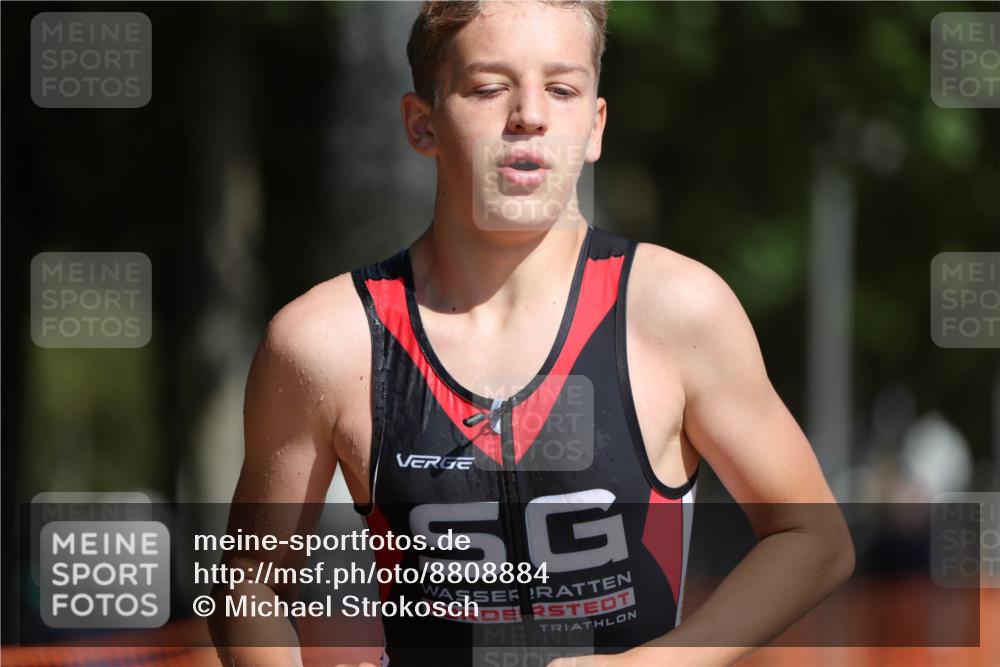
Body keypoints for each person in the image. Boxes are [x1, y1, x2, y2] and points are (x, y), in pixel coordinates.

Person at [214, 1, 854, 665]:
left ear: (595, 126)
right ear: (422, 124)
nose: (529, 115)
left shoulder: (677, 313)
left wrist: (657, 662)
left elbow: (812, 535)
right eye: (490, 88)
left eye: (561, 89)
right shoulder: (324, 341)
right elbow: (250, 583)